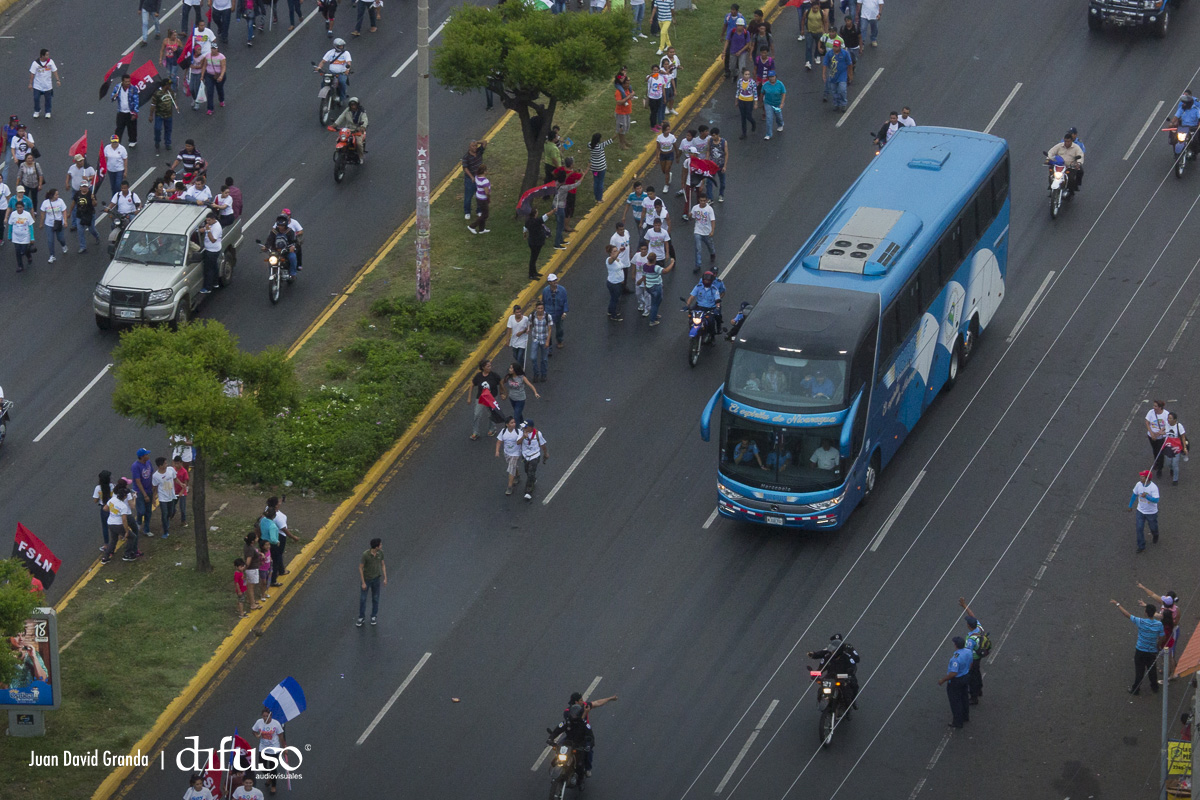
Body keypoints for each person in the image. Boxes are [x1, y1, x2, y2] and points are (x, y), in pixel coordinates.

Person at [552, 692, 617, 776]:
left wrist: (610, 698)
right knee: (559, 746)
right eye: (581, 700)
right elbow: (576, 724)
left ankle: (588, 768)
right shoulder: (568, 712)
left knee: (589, 751)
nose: (583, 701)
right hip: (572, 734)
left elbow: (597, 703)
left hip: (583, 733)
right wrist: (585, 713)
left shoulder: (584, 706)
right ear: (576, 702)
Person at [1112, 598, 1165, 695]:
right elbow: (1162, 637)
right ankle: (1154, 687)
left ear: (1146, 613)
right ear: (1154, 613)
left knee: (1139, 671)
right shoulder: (1159, 624)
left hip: (1140, 650)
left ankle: (1136, 689)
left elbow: (1127, 614)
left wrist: (1117, 604)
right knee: (1152, 670)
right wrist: (1157, 646)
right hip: (1152, 651)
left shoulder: (1141, 621)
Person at [807, 633, 860, 707]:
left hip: (844, 675)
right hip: (832, 675)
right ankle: (822, 701)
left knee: (853, 685)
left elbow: (855, 661)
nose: (832, 651)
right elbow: (821, 667)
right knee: (822, 686)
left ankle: (852, 703)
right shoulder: (828, 655)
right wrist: (814, 674)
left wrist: (850, 673)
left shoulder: (847, 654)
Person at [957, 597, 987, 705]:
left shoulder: (970, 639)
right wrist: (965, 606)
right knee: (977, 673)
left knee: (972, 678)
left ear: (969, 626)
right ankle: (979, 690)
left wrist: (967, 667)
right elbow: (972, 616)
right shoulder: (979, 628)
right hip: (979, 656)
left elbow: (968, 653)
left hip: (973, 659)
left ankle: (974, 697)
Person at [937, 636, 972, 728]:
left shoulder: (955, 658)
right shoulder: (968, 651)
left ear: (956, 645)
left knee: (955, 702)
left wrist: (943, 680)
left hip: (956, 681)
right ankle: (965, 716)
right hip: (966, 676)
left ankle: (958, 722)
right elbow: (971, 663)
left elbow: (953, 673)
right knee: (964, 697)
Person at [251, 708, 286, 795]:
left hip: (274, 748)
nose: (266, 718)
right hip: (263, 747)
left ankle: (273, 786)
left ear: (271, 716)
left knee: (272, 768)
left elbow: (281, 736)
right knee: (261, 766)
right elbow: (254, 731)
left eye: (267, 716)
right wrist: (257, 735)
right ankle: (269, 777)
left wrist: (285, 747)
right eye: (264, 716)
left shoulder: (276, 724)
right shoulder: (259, 722)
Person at [101, 483, 134, 564]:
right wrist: (126, 531)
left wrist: (113, 512)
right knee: (132, 537)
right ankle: (127, 554)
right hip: (118, 525)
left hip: (110, 523)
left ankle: (105, 557)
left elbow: (105, 508)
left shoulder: (112, 500)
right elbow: (124, 520)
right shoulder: (123, 506)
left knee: (113, 540)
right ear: (125, 496)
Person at [1128, 469, 1160, 553]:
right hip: (1140, 511)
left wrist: (1147, 496)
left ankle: (1155, 534)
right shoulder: (1138, 484)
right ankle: (1141, 545)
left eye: (1142, 476)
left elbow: (1156, 500)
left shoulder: (1153, 487)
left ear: (1147, 478)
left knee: (1153, 527)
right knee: (1139, 528)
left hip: (1151, 512)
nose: (1140, 477)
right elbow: (1134, 495)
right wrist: (1130, 505)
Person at [356, 537, 386, 626]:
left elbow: (383, 565)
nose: (381, 545)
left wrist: (385, 577)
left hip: (376, 579)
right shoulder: (365, 555)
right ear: (376, 547)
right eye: (380, 544)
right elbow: (360, 568)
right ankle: (361, 617)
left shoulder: (381, 553)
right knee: (363, 599)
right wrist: (363, 582)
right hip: (367, 580)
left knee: (375, 598)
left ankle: (373, 616)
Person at [469, 359, 502, 441]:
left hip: (491, 398)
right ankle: (475, 432)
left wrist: (502, 393)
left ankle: (492, 428)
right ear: (483, 367)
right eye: (488, 366)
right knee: (477, 414)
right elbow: (472, 385)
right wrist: (469, 397)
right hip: (481, 398)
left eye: (490, 366)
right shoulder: (478, 376)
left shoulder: (494, 375)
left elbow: (501, 383)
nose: (490, 367)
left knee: (491, 413)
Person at [687, 269, 725, 336]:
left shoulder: (714, 289)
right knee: (691, 318)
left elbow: (717, 299)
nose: (706, 281)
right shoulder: (698, 287)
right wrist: (688, 305)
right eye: (705, 280)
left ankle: (712, 337)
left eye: (708, 280)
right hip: (699, 307)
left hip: (710, 309)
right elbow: (692, 297)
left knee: (711, 322)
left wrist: (717, 307)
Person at [519, 419, 547, 501]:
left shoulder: (538, 434)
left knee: (531, 472)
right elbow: (517, 442)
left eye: (526, 427)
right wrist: (523, 437)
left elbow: (542, 444)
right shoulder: (521, 433)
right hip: (525, 456)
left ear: (530, 428)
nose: (524, 428)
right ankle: (533, 479)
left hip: (535, 456)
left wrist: (545, 453)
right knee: (527, 471)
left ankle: (528, 491)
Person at [333, 96, 368, 162]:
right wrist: (335, 124)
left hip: (357, 130)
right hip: (348, 130)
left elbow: (365, 119)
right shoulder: (347, 110)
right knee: (340, 139)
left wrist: (362, 127)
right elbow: (341, 117)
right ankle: (339, 152)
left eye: (354, 105)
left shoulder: (361, 111)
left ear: (357, 105)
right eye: (351, 105)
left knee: (358, 143)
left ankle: (361, 157)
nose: (353, 106)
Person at [317, 39, 352, 104]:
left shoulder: (346, 53)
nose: (342, 47)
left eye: (342, 46)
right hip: (331, 73)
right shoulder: (330, 52)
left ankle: (342, 98)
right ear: (336, 46)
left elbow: (348, 63)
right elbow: (323, 61)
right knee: (323, 82)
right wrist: (319, 67)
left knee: (342, 83)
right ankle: (326, 95)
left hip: (341, 73)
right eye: (340, 46)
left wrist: (347, 69)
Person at [28, 49, 60, 119]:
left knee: (48, 99)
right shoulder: (35, 63)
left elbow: (55, 71)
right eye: (47, 55)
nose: (48, 56)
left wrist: (57, 80)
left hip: (47, 85)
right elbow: (32, 74)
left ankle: (47, 112)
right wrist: (30, 83)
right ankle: (37, 110)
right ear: (42, 55)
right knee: (36, 98)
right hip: (37, 85)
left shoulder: (50, 62)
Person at [495, 416, 523, 495]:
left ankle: (510, 487)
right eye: (511, 423)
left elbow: (518, 442)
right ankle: (517, 475)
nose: (514, 424)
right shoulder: (503, 432)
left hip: (516, 453)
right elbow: (499, 441)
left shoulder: (518, 432)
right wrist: (497, 451)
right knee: (513, 466)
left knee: (511, 467)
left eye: (514, 422)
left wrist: (523, 437)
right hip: (507, 453)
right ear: (507, 424)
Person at [148, 78, 176, 156]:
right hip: (159, 115)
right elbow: (153, 105)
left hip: (169, 115)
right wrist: (151, 115)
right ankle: (157, 141)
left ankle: (168, 143)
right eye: (169, 85)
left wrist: (175, 105)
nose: (170, 86)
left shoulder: (170, 92)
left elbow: (173, 100)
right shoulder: (157, 93)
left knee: (168, 130)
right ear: (165, 85)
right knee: (157, 129)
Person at [131, 447, 155, 537]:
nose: (148, 456)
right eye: (146, 454)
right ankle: (138, 522)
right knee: (141, 511)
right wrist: (145, 495)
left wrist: (152, 488)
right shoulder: (135, 466)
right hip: (139, 492)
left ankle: (146, 529)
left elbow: (151, 474)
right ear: (142, 457)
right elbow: (138, 481)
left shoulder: (148, 463)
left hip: (149, 489)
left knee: (149, 511)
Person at [38, 188, 66, 263]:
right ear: (52, 196)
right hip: (49, 224)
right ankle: (52, 255)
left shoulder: (60, 201)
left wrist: (65, 221)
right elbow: (43, 214)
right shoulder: (45, 203)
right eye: (56, 194)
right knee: (50, 240)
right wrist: (41, 223)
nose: (58, 196)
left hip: (58, 222)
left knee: (60, 238)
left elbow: (64, 211)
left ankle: (64, 245)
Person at [528, 302, 554, 382]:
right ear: (536, 308)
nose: (540, 310)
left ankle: (544, 374)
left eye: (541, 308)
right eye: (538, 308)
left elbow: (550, 329)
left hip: (544, 339)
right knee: (533, 357)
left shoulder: (548, 316)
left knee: (544, 359)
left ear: (544, 309)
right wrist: (528, 329)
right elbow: (530, 325)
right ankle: (536, 373)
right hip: (535, 339)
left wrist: (547, 341)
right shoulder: (532, 316)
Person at [822, 40, 851, 111]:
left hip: (842, 74)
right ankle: (836, 103)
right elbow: (825, 63)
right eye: (834, 46)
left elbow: (849, 63)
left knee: (842, 89)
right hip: (833, 74)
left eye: (836, 47)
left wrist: (850, 74)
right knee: (834, 91)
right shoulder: (829, 53)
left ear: (840, 47)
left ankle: (843, 103)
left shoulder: (845, 53)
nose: (835, 48)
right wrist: (824, 74)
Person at [111, 73, 140, 147]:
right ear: (122, 82)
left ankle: (132, 140)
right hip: (121, 112)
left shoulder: (133, 89)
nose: (128, 83)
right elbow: (113, 96)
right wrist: (114, 96)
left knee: (132, 128)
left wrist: (135, 113)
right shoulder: (118, 88)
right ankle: (117, 142)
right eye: (126, 82)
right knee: (119, 128)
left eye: (129, 81)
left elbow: (136, 101)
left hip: (130, 112)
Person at [541, 275, 569, 350]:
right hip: (549, 313)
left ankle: (559, 340)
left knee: (559, 328)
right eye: (553, 281)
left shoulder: (562, 290)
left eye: (556, 280)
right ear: (549, 282)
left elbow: (565, 302)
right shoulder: (545, 291)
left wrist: (564, 312)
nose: (555, 282)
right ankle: (549, 346)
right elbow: (543, 302)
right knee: (548, 329)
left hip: (559, 313)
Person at [461, 138, 486, 221]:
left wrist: (478, 142)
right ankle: (467, 212)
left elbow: (485, 142)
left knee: (480, 195)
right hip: (470, 179)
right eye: (473, 146)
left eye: (475, 146)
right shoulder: (466, 157)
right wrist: (472, 177)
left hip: (479, 178)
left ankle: (479, 210)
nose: (475, 147)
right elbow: (465, 168)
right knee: (468, 197)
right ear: (469, 147)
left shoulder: (479, 151)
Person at [524, 202, 550, 280]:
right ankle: (531, 274)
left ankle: (534, 272)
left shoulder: (528, 221)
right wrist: (554, 210)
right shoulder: (537, 221)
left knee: (534, 257)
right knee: (533, 258)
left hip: (532, 241)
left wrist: (524, 235)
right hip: (537, 242)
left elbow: (524, 229)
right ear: (535, 214)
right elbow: (546, 216)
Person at [1162, 411, 1189, 485]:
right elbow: (1165, 430)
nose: (1168, 420)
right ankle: (1171, 469)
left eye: (1170, 418)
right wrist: (1161, 432)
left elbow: (1183, 437)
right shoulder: (1167, 424)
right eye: (1168, 418)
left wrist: (1184, 448)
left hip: (1177, 447)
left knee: (1175, 464)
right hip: (1168, 446)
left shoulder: (1179, 426)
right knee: (1168, 462)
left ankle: (1175, 479)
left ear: (1175, 420)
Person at [9, 197, 34, 273]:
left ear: (23, 207)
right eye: (17, 208)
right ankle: (20, 266)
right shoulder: (13, 214)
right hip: (16, 236)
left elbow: (30, 226)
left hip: (25, 236)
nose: (19, 209)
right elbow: (10, 225)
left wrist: (32, 238)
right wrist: (9, 235)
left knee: (24, 250)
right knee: (18, 251)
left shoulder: (27, 215)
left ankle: (28, 255)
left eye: (20, 207)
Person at [1145, 398, 1169, 477]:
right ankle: (1156, 462)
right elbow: (1147, 422)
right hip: (1152, 436)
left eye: (1156, 406)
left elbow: (1167, 425)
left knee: (1160, 452)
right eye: (1154, 406)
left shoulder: (1166, 414)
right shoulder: (1151, 412)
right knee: (1155, 450)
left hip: (1161, 437)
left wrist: (1159, 432)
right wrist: (1151, 433)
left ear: (1160, 407)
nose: (1154, 407)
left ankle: (1160, 468)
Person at [760, 71, 785, 139]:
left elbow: (783, 93)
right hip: (768, 103)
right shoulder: (765, 85)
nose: (772, 78)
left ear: (775, 77)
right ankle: (768, 134)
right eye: (770, 77)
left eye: (773, 77)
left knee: (778, 116)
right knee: (769, 118)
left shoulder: (780, 84)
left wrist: (782, 103)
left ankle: (780, 124)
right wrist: (761, 102)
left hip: (777, 103)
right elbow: (762, 93)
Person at [734, 69, 757, 139]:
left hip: (749, 101)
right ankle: (744, 133)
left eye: (748, 74)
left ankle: (753, 122)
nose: (747, 76)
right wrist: (736, 100)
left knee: (748, 116)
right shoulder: (740, 81)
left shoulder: (752, 82)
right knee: (743, 117)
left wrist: (755, 103)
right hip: (741, 100)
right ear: (743, 75)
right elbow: (738, 91)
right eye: (746, 74)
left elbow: (755, 93)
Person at [172, 453, 191, 526]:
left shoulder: (184, 472)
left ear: (181, 463)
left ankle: (183, 521)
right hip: (174, 491)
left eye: (178, 463)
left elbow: (185, 483)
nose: (177, 465)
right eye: (175, 463)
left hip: (182, 492)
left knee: (182, 508)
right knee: (172, 506)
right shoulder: (173, 470)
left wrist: (182, 492)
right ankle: (172, 514)